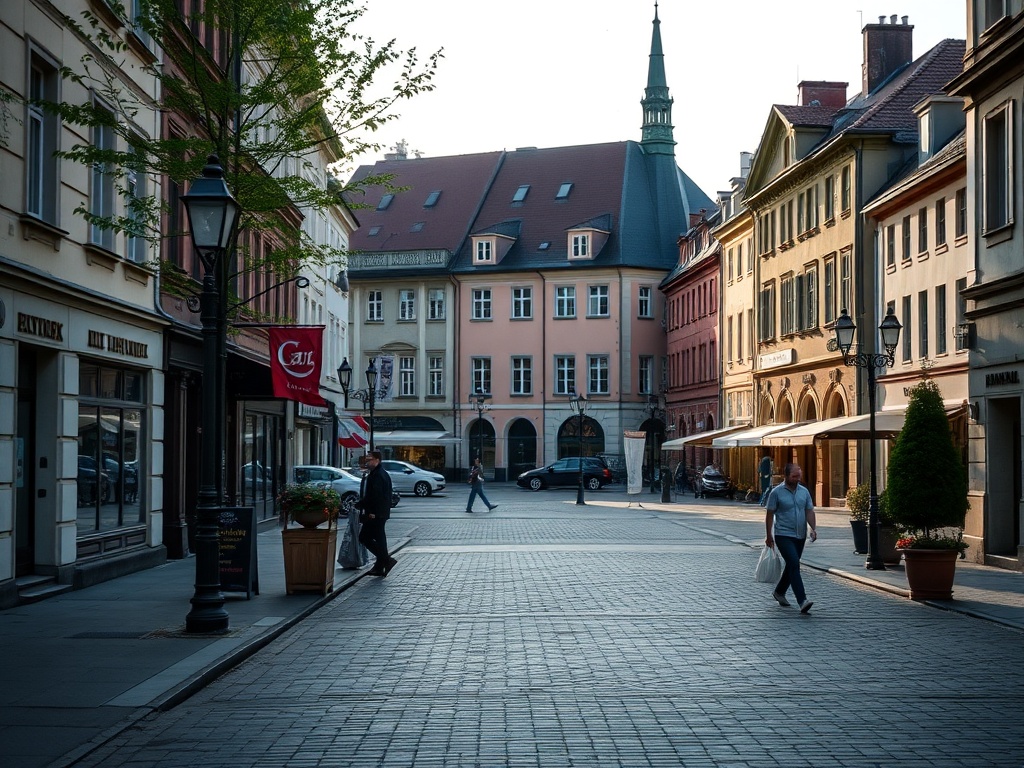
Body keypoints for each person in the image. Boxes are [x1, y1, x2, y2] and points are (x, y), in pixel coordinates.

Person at [764, 462, 817, 613]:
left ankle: (779, 592)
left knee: (791, 565)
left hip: (800, 535)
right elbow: (769, 515)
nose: (797, 479)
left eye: (799, 476)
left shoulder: (804, 492)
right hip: (783, 535)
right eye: (794, 476)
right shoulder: (776, 492)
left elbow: (809, 511)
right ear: (786, 476)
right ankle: (802, 600)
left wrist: (813, 528)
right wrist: (769, 536)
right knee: (794, 563)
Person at [357, 451, 397, 577]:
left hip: (376, 513)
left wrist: (369, 510)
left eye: (370, 459)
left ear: (377, 460)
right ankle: (380, 566)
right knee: (380, 539)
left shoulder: (378, 475)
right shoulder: (378, 473)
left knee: (364, 537)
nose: (367, 462)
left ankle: (386, 560)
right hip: (380, 513)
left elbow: (376, 496)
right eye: (366, 459)